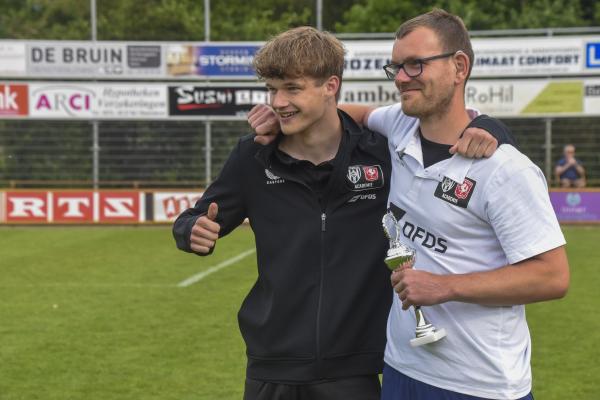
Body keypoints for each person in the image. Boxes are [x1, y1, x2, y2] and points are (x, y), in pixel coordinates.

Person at [174, 27, 506, 400]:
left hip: (355, 370)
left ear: (331, 86)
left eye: (292, 88)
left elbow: (442, 132)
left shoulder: (383, 153)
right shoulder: (253, 156)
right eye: (272, 89)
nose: (278, 102)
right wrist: (191, 230)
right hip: (272, 366)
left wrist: (488, 125)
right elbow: (199, 216)